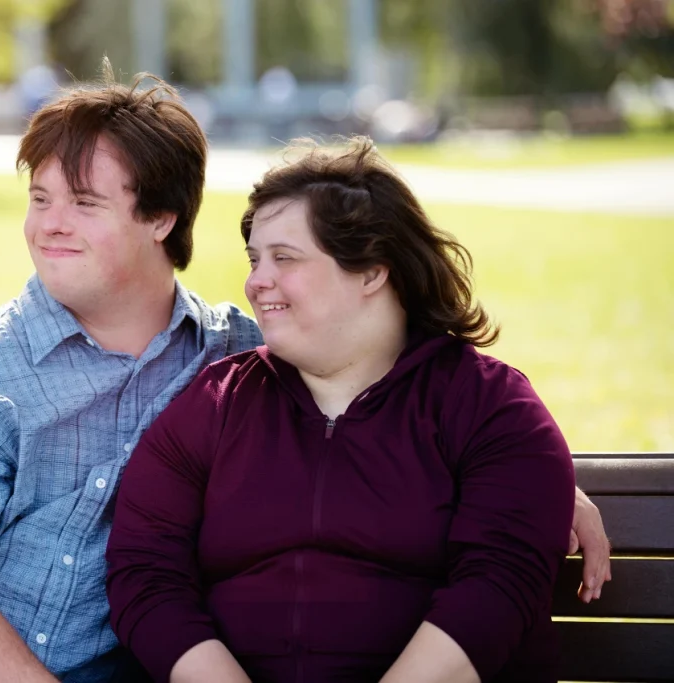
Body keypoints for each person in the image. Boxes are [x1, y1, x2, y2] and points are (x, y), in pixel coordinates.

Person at [0, 68, 609, 683]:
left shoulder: (233, 355)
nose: (48, 224)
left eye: (84, 203)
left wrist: (545, 486)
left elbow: (380, 362)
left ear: (163, 217)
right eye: (39, 199)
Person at [105, 138, 601, 683]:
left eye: (285, 259)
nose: (254, 282)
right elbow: (147, 572)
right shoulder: (215, 405)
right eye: (255, 260)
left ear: (371, 271)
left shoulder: (488, 407)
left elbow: (497, 587)